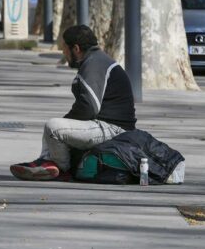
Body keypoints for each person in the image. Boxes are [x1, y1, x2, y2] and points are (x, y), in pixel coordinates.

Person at [10, 25, 137, 181]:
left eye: (64, 49)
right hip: (106, 125)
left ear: (75, 48)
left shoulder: (94, 64)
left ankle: (60, 168)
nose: (64, 53)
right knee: (56, 127)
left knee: (54, 127)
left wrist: (65, 123)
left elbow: (89, 107)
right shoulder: (96, 60)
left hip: (113, 129)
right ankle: (46, 161)